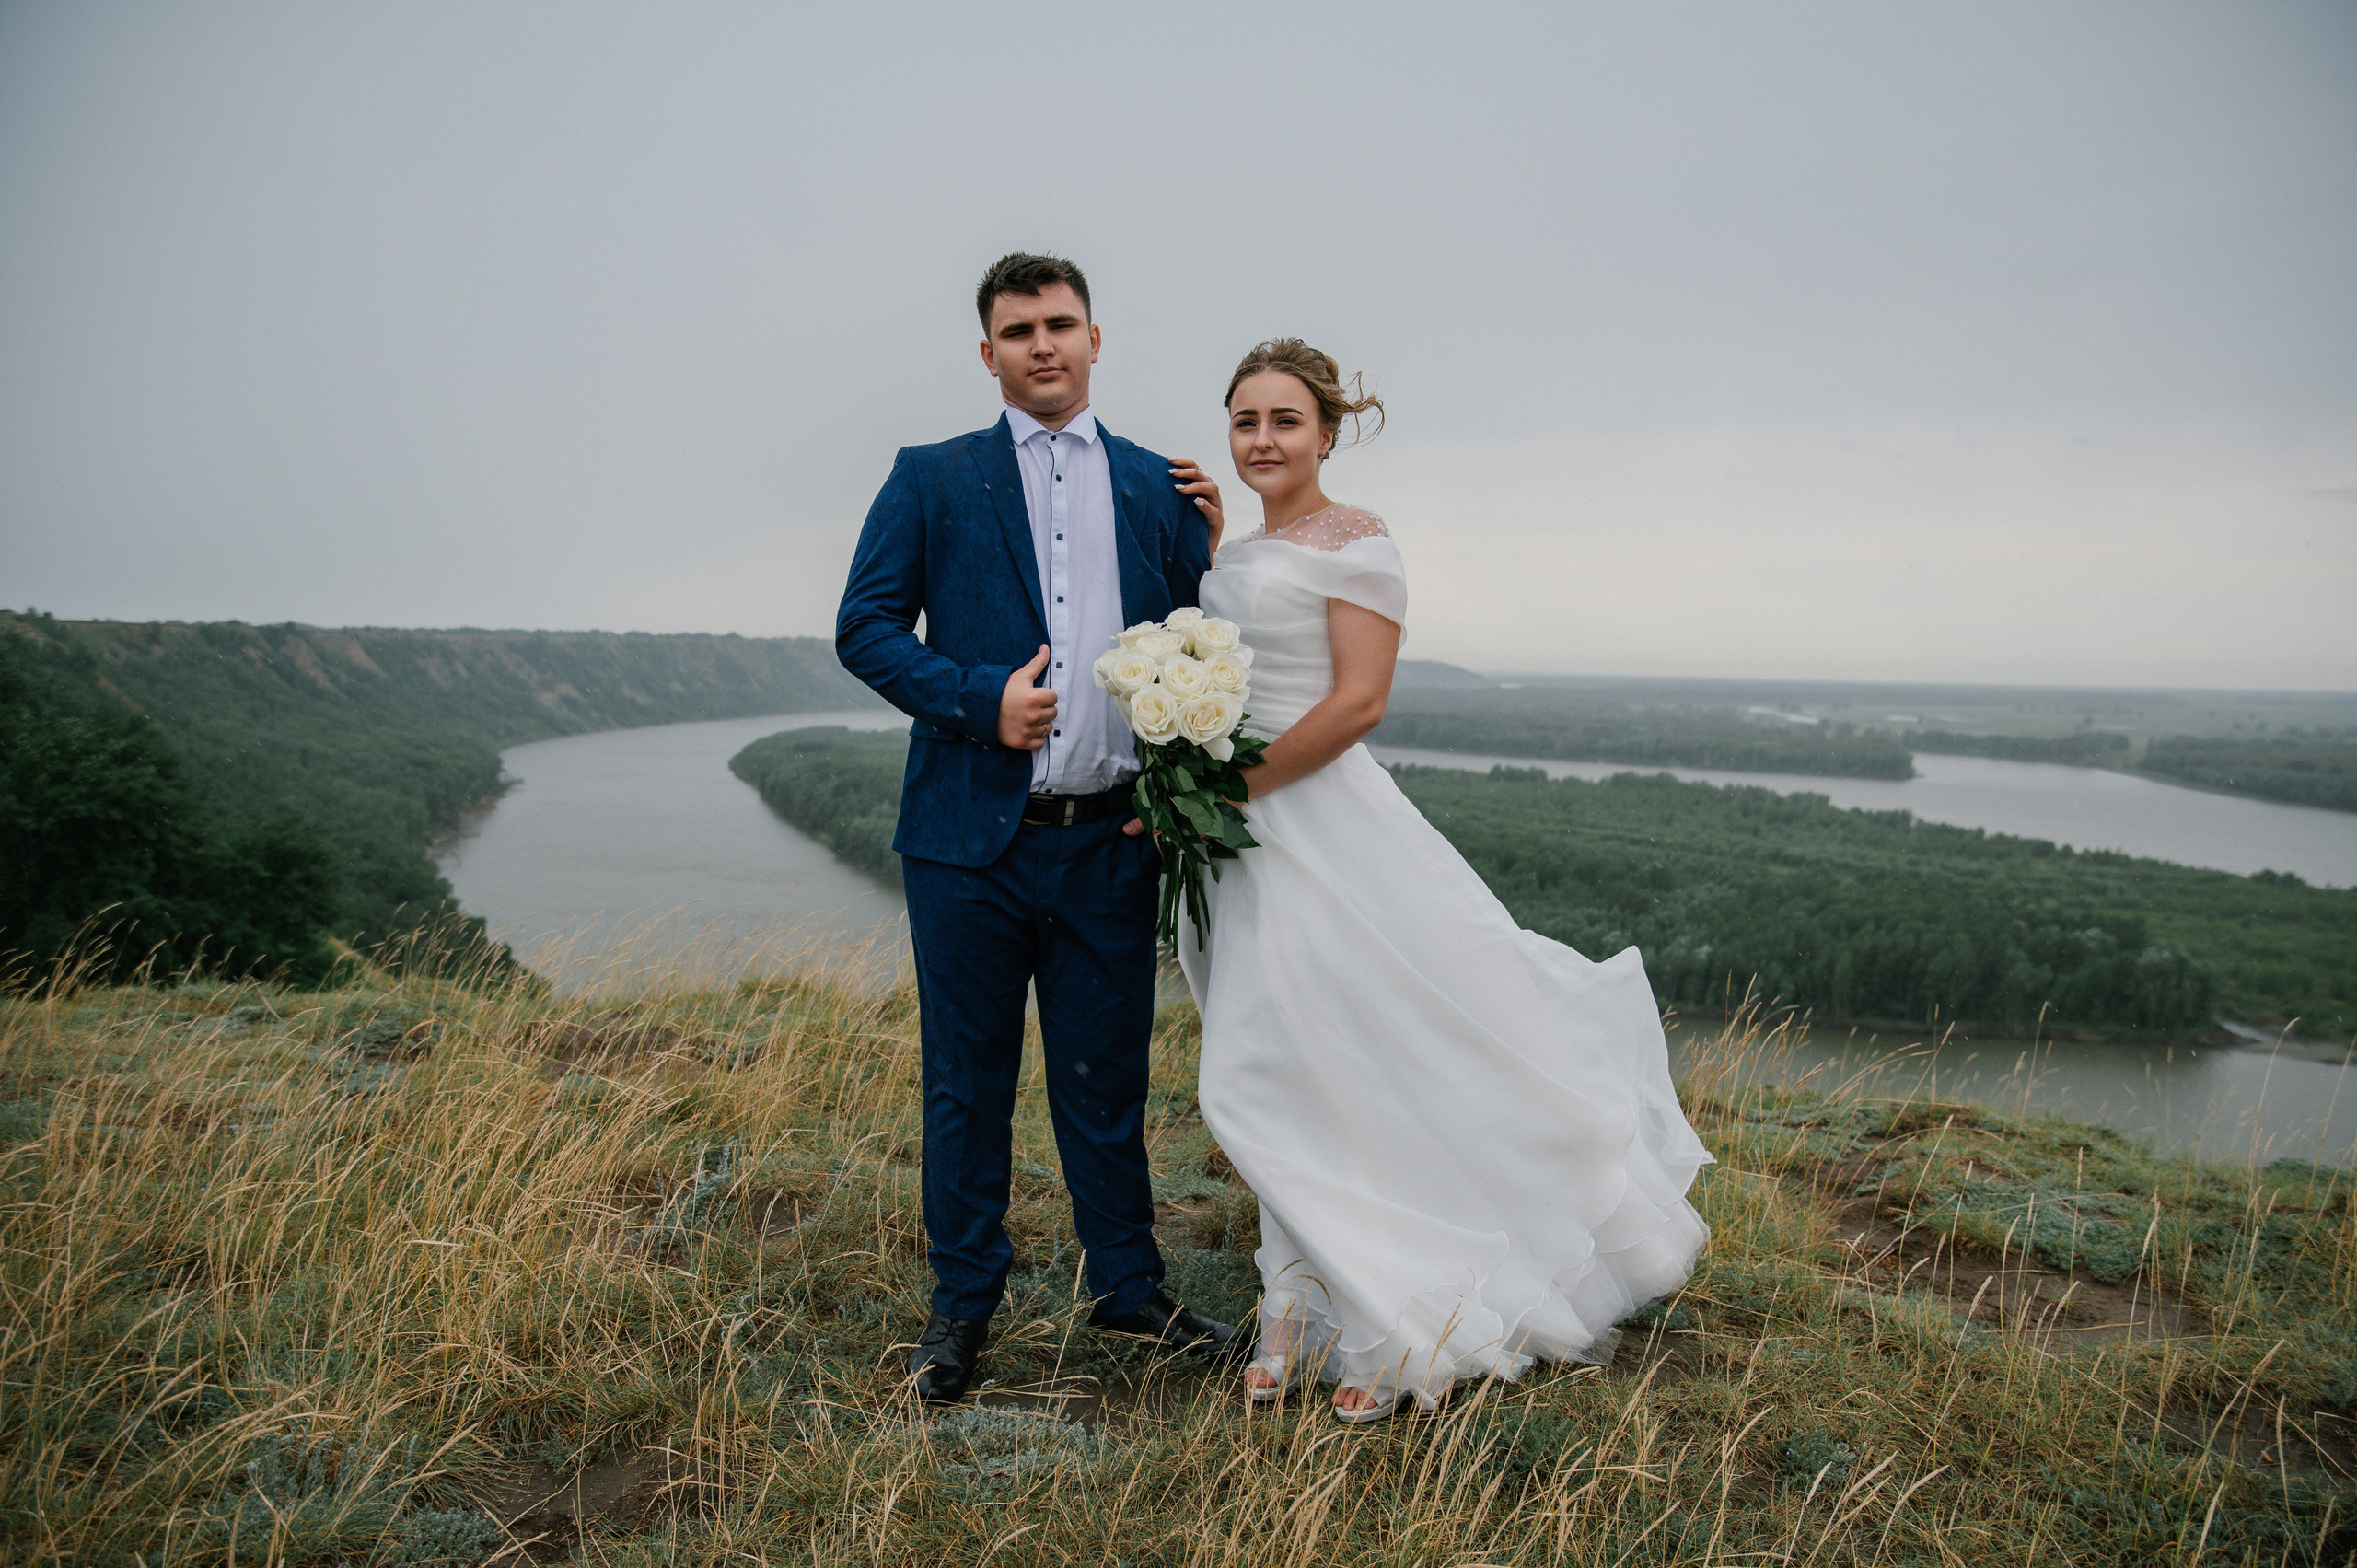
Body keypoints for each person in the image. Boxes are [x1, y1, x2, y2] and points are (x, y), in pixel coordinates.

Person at [1161, 339, 1715, 1423]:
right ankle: (1290, 1302)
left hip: (1319, 822)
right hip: (1246, 847)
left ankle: (1396, 1316)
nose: (1260, 439)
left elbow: (1358, 701)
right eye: (1243, 421)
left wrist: (1231, 792)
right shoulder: (1235, 547)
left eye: (1282, 420)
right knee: (1278, 1067)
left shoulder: (1361, 539)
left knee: (1351, 1059)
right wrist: (1220, 561)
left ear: (1327, 430)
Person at [835, 253, 1246, 1404]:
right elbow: (863, 626)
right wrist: (980, 697)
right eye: (1018, 331)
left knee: (1105, 1077)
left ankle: (1127, 1285)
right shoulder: (930, 476)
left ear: (1095, 338)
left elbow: (1195, 645)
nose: (1042, 345)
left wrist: (1210, 550)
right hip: (966, 839)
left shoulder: (1157, 483)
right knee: (966, 1081)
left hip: (1110, 839)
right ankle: (962, 1306)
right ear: (989, 354)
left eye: (1060, 324)